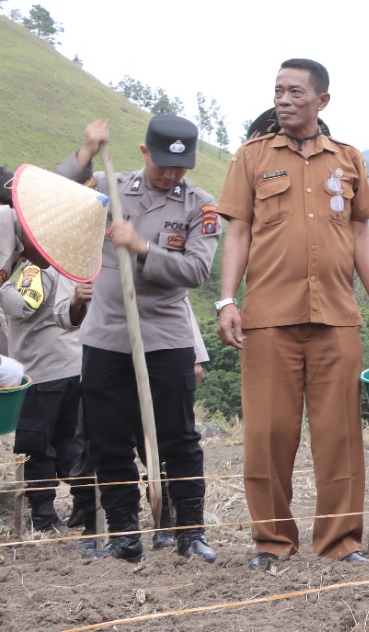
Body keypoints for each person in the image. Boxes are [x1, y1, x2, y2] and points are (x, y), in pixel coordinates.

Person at [216, 59, 369, 570]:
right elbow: (238, 233)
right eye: (278, 90)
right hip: (269, 317)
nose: (283, 99)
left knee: (339, 435)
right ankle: (271, 542)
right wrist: (227, 300)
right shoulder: (252, 157)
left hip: (337, 318)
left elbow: (361, 235)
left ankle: (341, 542)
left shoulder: (348, 159)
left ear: (322, 101)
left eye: (295, 91)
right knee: (268, 434)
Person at [55, 117, 219, 563]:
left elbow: (196, 272)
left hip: (166, 336)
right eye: (164, 164)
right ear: (145, 153)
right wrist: (87, 151)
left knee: (179, 439)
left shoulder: (199, 206)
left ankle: (190, 534)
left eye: (180, 167)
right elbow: (55, 197)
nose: (171, 174)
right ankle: (125, 536)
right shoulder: (111, 186)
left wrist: (143, 247)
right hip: (107, 335)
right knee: (107, 440)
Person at [1, 257, 93, 533]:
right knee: (65, 439)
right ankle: (88, 500)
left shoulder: (34, 267)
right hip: (68, 365)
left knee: (34, 442)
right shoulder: (66, 262)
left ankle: (43, 512)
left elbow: (23, 305)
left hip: (42, 368)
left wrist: (3, 283)